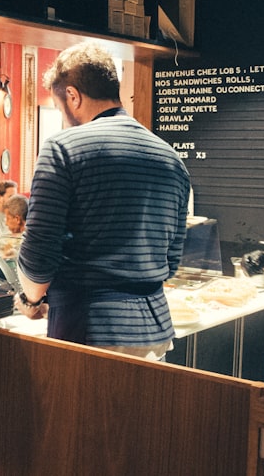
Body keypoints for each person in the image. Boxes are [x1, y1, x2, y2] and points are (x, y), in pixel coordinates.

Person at [15, 41, 190, 360]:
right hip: (155, 331)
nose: (64, 118)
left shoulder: (62, 148)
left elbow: (40, 248)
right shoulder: (171, 157)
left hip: (90, 327)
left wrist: (30, 300)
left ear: (72, 95)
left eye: (59, 107)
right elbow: (173, 258)